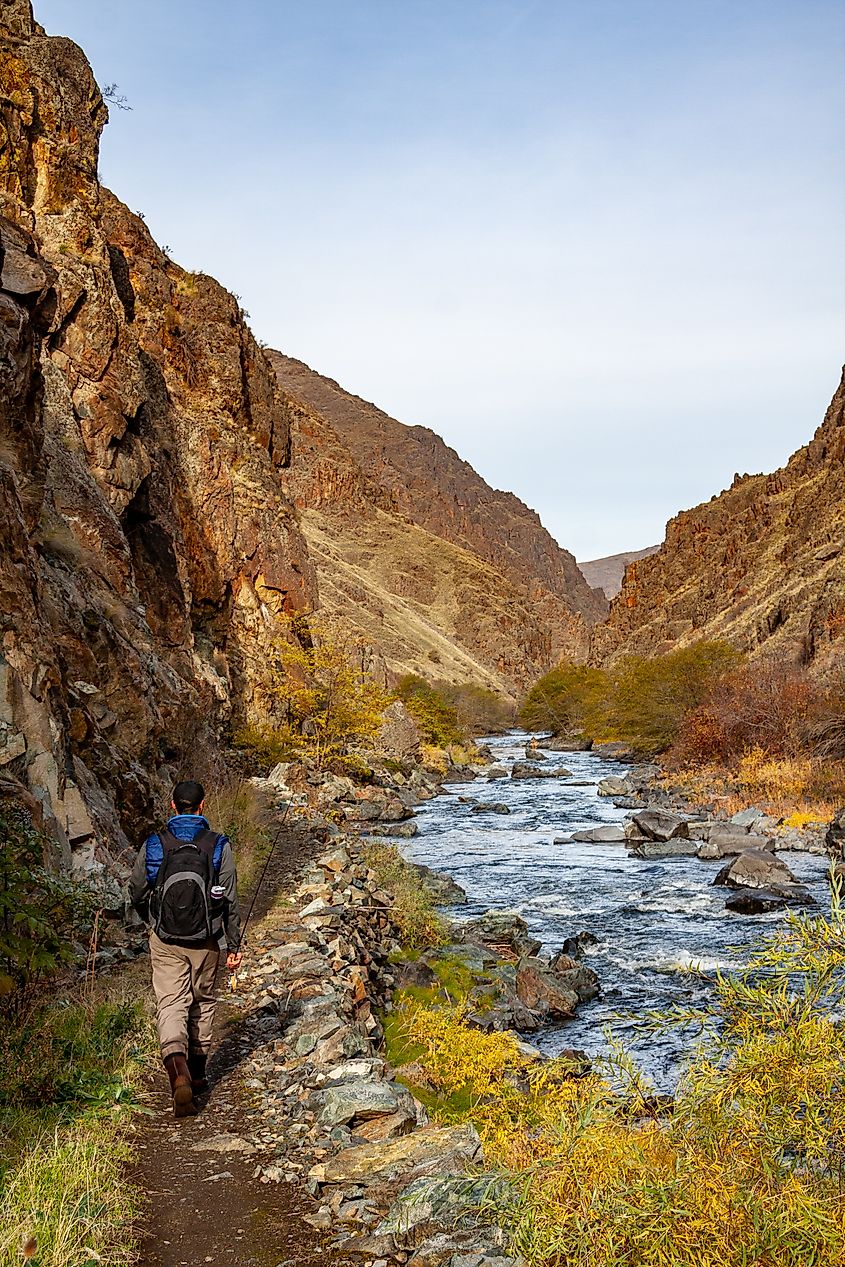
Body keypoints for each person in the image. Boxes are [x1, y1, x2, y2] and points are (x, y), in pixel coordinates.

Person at [129, 779, 242, 1117]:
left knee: (171, 1003)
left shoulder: (155, 844)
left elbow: (136, 889)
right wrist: (233, 943)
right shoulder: (218, 844)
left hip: (165, 939)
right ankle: (200, 1074)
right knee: (203, 1001)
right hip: (206, 939)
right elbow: (231, 899)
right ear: (203, 806)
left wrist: (148, 919)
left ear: (173, 806)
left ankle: (178, 1074)